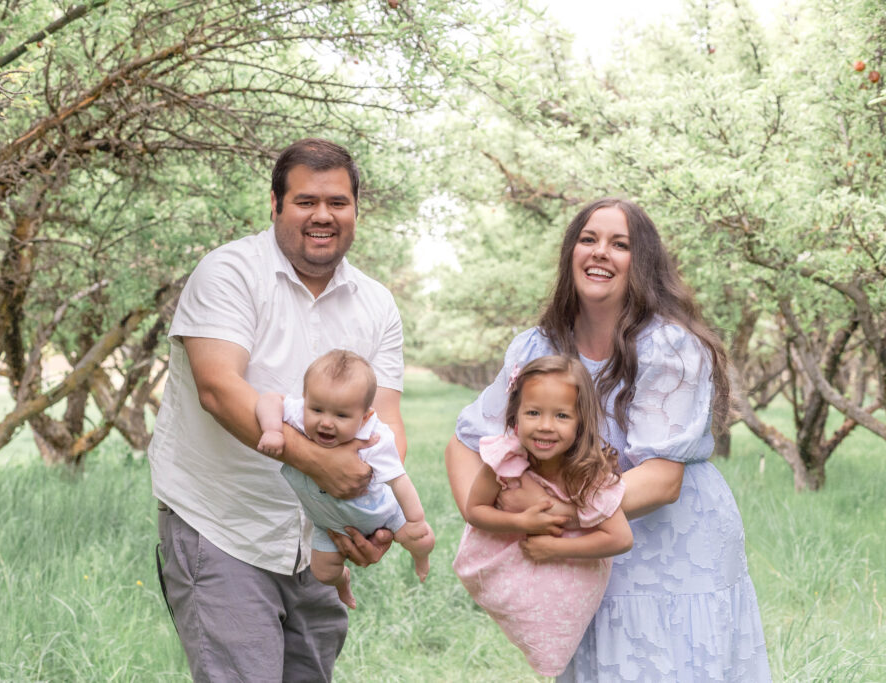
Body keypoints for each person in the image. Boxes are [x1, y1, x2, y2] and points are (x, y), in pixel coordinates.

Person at [445, 198, 772, 681]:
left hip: (670, 553)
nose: (601, 253)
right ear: (570, 253)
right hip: (580, 561)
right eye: (588, 239)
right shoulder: (537, 347)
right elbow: (466, 441)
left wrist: (557, 514)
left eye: (620, 244)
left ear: (641, 264)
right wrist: (496, 518)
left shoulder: (671, 347)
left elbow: (662, 481)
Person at [149, 138, 406, 682]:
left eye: (338, 202)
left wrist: (369, 507)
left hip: (316, 534)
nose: (323, 215)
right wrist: (323, 465)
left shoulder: (376, 303)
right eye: (305, 201)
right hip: (223, 527)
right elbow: (218, 389)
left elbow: (385, 420)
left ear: (356, 210)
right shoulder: (228, 273)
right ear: (275, 204)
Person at [453, 354, 632, 677]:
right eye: (533, 413)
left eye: (562, 415)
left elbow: (620, 538)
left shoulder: (588, 474)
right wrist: (520, 522)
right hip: (512, 565)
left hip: (570, 569)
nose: (546, 426)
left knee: (556, 622)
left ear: (581, 423)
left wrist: (554, 547)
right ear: (516, 416)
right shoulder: (505, 459)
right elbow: (475, 511)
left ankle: (550, 658)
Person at [256, 349, 434, 610]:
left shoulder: (374, 437)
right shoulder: (299, 414)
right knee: (323, 573)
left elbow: (399, 480)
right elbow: (270, 399)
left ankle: (421, 558)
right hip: (328, 523)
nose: (326, 422)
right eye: (316, 409)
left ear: (365, 416)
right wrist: (272, 430)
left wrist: (416, 520)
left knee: (422, 538)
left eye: (341, 416)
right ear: (305, 400)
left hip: (381, 515)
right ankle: (342, 582)